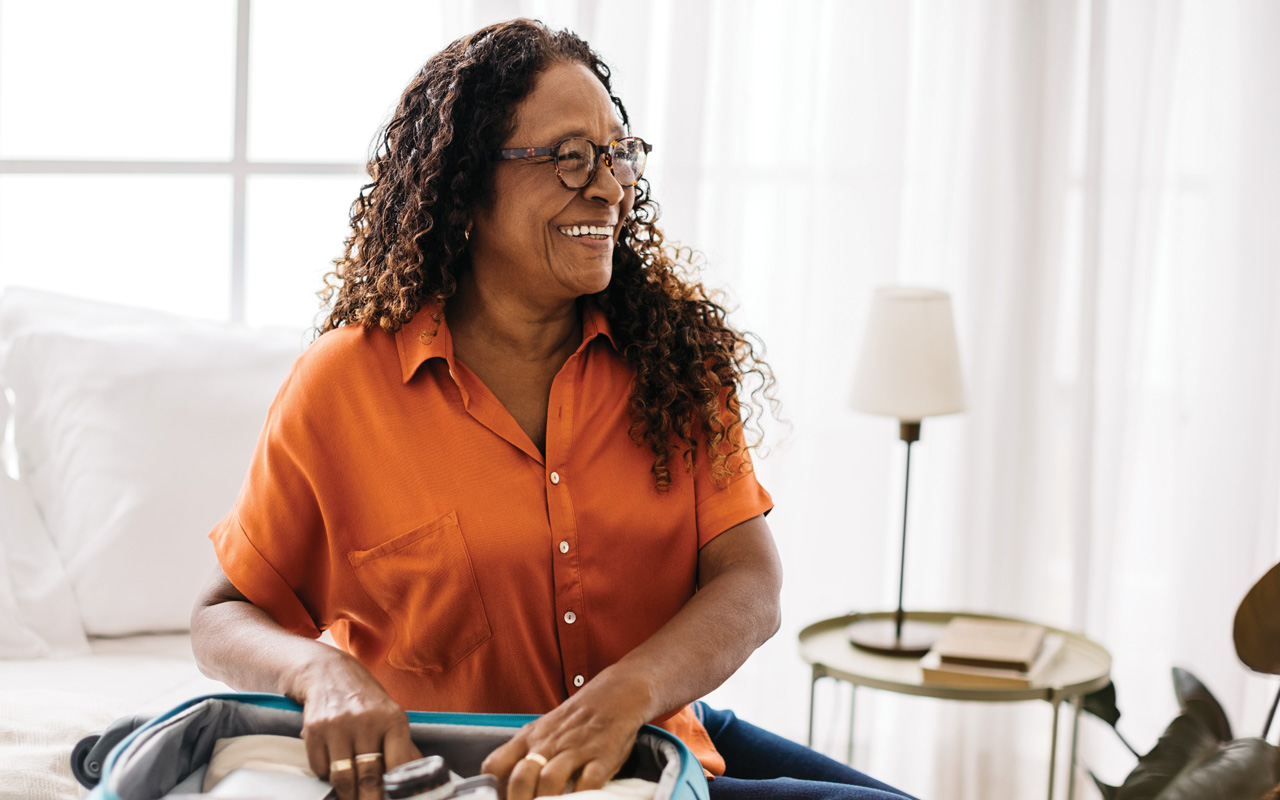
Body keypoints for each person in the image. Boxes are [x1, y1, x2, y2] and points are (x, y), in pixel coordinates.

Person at [190, 18, 916, 800]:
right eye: (570, 158)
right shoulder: (343, 387)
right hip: (496, 782)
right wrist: (319, 670)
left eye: (617, 154)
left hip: (662, 745)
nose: (608, 187)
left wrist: (629, 691)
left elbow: (749, 582)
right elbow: (223, 615)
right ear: (466, 186)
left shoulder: (673, 360)